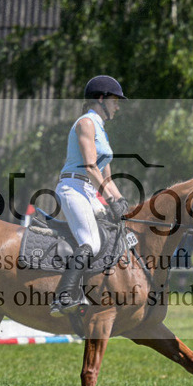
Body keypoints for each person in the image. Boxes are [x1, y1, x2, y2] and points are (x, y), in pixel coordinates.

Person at [49, 75, 132, 317]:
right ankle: (63, 296)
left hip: (89, 191)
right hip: (73, 188)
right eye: (115, 101)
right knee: (91, 243)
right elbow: (90, 167)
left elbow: (107, 179)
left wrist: (122, 202)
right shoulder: (85, 123)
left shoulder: (101, 130)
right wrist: (110, 200)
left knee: (113, 234)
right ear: (101, 99)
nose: (117, 106)